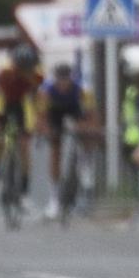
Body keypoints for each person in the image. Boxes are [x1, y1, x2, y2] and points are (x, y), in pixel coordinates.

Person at [37, 63, 96, 220]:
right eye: (60, 80)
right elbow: (42, 116)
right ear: (55, 79)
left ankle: (86, 178)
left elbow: (90, 114)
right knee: (55, 150)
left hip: (75, 111)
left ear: (71, 79)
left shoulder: (83, 89)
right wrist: (46, 131)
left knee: (86, 139)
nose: (63, 84)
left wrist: (86, 129)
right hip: (55, 115)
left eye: (66, 80)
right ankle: (54, 199)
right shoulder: (46, 91)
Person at [0, 43, 43, 208]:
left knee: (24, 145)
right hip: (4, 101)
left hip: (21, 104)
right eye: (22, 69)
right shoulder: (5, 72)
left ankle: (24, 185)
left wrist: (38, 121)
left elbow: (38, 98)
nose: (25, 73)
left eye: (28, 69)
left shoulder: (38, 75)